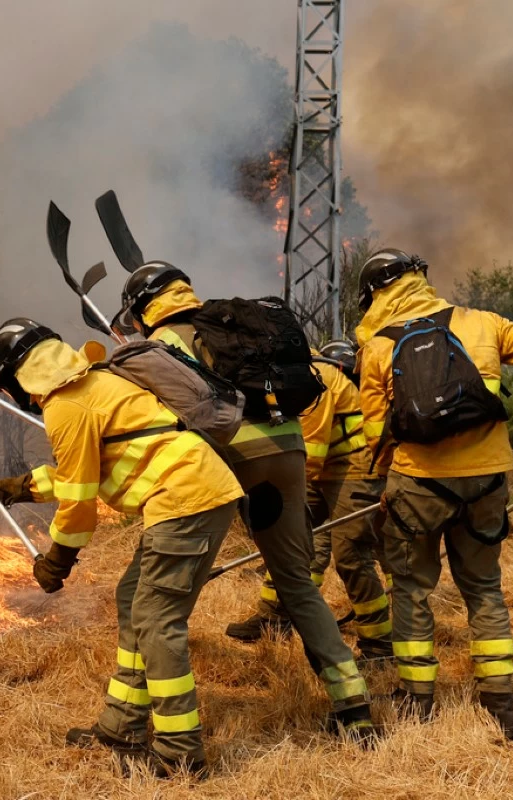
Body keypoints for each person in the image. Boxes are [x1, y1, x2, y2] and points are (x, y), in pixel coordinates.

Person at [0, 318, 245, 778]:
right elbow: (83, 472)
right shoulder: (88, 386)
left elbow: (79, 504)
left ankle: (180, 751)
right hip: (190, 495)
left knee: (157, 621)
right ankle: (122, 726)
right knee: (133, 600)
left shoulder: (66, 405)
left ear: (17, 380)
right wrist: (17, 487)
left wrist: (56, 562)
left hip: (186, 500)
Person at [115, 265, 376, 735]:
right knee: (297, 582)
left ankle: (134, 719)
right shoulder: (229, 326)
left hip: (230, 456)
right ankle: (353, 705)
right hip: (288, 448)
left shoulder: (162, 345)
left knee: (155, 599)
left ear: (142, 310)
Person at [356, 248, 513, 740]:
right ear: (420, 279)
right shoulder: (483, 322)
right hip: (488, 479)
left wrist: (390, 483)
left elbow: (373, 435)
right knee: (484, 588)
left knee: (411, 589)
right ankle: (500, 701)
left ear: (373, 296)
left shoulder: (379, 346)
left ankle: (417, 699)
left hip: (418, 482)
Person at [228, 340, 394, 661]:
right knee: (288, 540)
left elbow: (311, 448)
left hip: (355, 466)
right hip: (326, 465)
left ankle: (378, 645)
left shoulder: (317, 377)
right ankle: (273, 616)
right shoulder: (288, 376)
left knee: (350, 554)